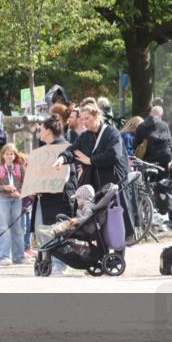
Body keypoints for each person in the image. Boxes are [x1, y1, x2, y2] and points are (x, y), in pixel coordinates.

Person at [53, 102, 134, 243]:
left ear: (96, 116)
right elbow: (73, 150)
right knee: (98, 223)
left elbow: (113, 154)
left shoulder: (111, 133)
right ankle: (101, 254)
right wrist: (61, 159)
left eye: (87, 118)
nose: (84, 122)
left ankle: (118, 253)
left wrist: (90, 161)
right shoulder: (86, 136)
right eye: (82, 119)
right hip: (97, 186)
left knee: (115, 221)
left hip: (113, 185)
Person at [29, 116, 77, 274]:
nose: (39, 132)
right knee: (43, 230)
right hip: (45, 198)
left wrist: (40, 185)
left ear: (49, 131)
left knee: (57, 231)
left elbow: (63, 176)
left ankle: (60, 265)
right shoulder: (46, 149)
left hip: (59, 198)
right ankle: (47, 261)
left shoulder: (63, 148)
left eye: (41, 129)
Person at [0, 143, 25, 265]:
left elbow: (25, 183)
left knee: (18, 228)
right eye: (7, 153)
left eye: (12, 153)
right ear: (3, 155)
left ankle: (19, 256)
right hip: (3, 199)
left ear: (15, 155)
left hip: (17, 200)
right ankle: (3, 256)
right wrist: (5, 187)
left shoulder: (20, 169)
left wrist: (19, 192)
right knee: (3, 227)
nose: (9, 156)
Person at [133, 105, 172, 179]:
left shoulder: (141, 127)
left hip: (148, 161)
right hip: (165, 160)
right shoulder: (164, 125)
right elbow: (170, 143)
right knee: (163, 185)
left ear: (150, 113)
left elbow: (135, 145)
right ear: (160, 116)